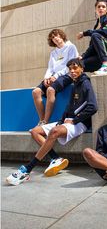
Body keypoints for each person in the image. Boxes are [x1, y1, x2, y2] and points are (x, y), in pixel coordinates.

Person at [6, 58, 98, 186]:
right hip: (67, 122)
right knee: (35, 131)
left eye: (75, 68)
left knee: (54, 132)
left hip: (79, 123)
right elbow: (69, 107)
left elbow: (93, 107)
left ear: (82, 69)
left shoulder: (85, 83)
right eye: (70, 68)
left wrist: (75, 120)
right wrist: (61, 121)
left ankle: (27, 169)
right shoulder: (75, 84)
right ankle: (55, 158)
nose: (72, 71)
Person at [32, 29, 79, 126]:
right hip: (53, 76)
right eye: (53, 38)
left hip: (67, 75)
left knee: (50, 89)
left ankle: (45, 121)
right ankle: (41, 120)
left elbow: (71, 65)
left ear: (61, 35)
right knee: (36, 92)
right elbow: (50, 68)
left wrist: (56, 76)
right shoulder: (53, 53)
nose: (55, 39)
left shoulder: (71, 47)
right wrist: (47, 77)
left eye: (56, 36)